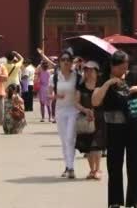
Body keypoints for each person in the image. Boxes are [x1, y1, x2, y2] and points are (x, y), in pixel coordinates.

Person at [92, 50, 137, 208]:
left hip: (134, 125)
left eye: (126, 67)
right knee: (114, 164)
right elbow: (95, 101)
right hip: (114, 127)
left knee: (135, 163)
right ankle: (115, 201)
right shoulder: (103, 78)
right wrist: (109, 83)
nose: (124, 70)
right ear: (112, 66)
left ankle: (136, 200)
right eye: (121, 67)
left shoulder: (133, 75)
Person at [50, 50, 81, 179]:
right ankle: (68, 166)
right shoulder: (55, 77)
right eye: (63, 60)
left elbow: (84, 89)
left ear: (71, 61)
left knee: (70, 138)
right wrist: (55, 96)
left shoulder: (77, 76)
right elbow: (49, 94)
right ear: (59, 62)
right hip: (60, 110)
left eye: (68, 59)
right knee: (64, 140)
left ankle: (71, 167)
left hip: (73, 110)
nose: (65, 62)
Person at [74, 61, 106, 180]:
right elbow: (75, 102)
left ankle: (97, 169)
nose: (88, 72)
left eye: (91, 70)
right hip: (85, 118)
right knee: (88, 146)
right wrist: (85, 110)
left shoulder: (101, 84)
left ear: (97, 72)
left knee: (96, 146)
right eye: (86, 70)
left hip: (99, 118)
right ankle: (91, 170)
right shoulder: (81, 86)